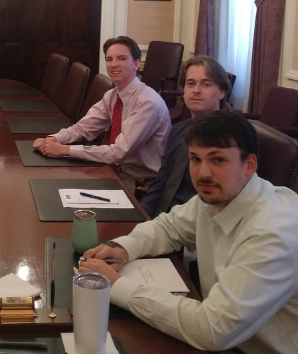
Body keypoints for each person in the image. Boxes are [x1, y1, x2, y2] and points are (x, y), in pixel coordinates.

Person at [80, 111, 298, 353]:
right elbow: (169, 227)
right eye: (195, 159)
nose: (203, 173)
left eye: (218, 160)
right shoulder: (220, 195)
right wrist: (123, 248)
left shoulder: (272, 233)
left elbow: (212, 330)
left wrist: (117, 286)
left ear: (249, 165)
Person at [33, 36, 171, 191]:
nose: (114, 64)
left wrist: (65, 150)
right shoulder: (112, 95)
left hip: (141, 181)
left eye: (121, 58)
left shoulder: (148, 103)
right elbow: (83, 128)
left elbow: (118, 153)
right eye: (109, 59)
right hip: (114, 168)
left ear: (137, 64)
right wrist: (52, 139)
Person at [140, 55, 232, 218]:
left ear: (221, 92)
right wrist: (139, 214)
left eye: (206, 84)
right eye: (190, 83)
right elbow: (161, 182)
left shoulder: (231, 137)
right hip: (162, 219)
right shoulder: (178, 131)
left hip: (197, 227)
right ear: (183, 91)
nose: (196, 90)